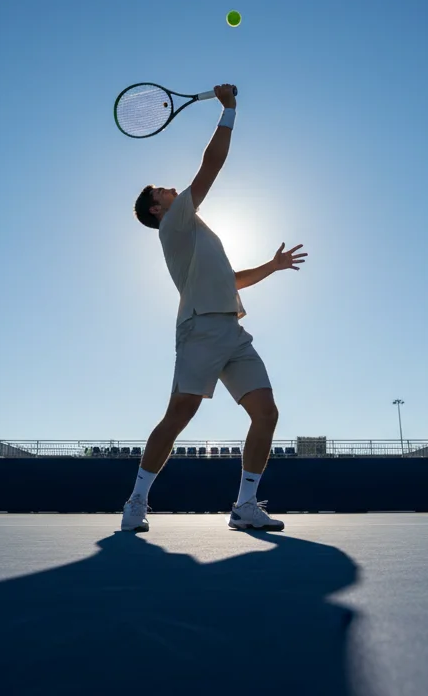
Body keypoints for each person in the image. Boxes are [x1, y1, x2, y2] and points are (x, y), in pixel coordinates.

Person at [123, 83, 307, 533]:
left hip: (232, 332)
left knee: (267, 412)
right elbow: (212, 165)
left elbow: (233, 280)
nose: (169, 189)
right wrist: (228, 110)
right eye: (160, 191)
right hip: (200, 330)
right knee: (179, 417)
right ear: (156, 209)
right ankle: (136, 502)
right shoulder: (175, 223)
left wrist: (274, 265)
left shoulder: (196, 229)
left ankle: (245, 507)